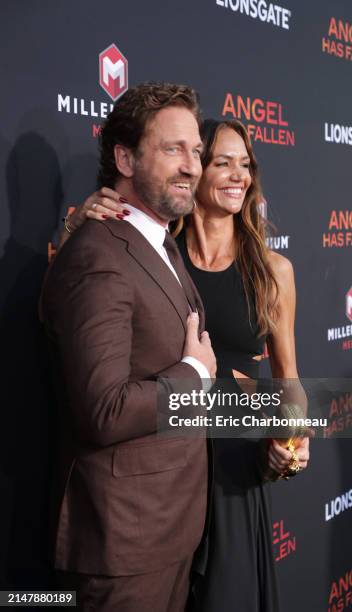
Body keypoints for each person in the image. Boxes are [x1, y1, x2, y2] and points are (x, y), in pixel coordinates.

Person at [63, 118, 310, 611]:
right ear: (193, 171)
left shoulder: (273, 271)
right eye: (222, 162)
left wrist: (295, 439)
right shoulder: (155, 254)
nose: (239, 175)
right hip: (163, 470)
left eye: (246, 164)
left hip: (234, 471)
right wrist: (75, 226)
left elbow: (289, 383)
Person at [41, 82, 217, 612]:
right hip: (123, 550)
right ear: (124, 157)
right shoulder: (100, 254)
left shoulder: (160, 243)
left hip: (170, 530)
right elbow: (104, 409)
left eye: (196, 152)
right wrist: (193, 374)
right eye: (172, 149)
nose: (192, 166)